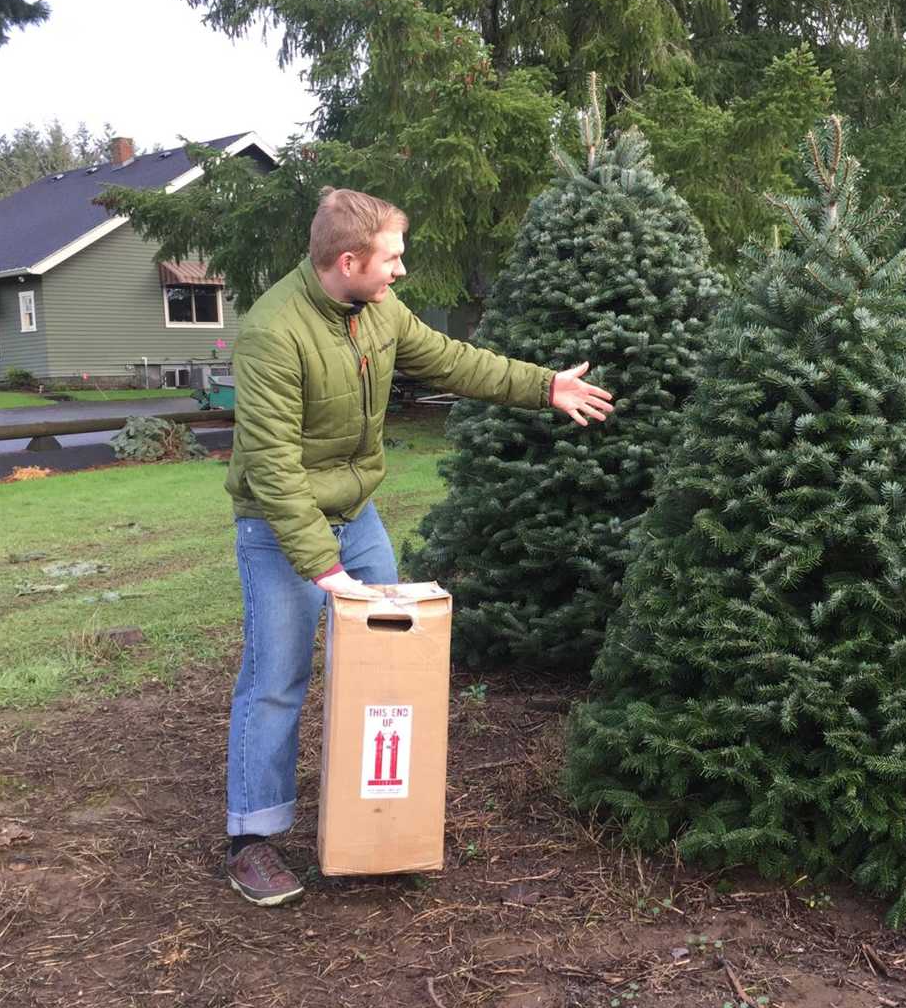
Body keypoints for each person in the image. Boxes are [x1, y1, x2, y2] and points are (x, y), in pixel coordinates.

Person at [222, 187, 614, 905]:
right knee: (276, 678)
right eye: (393, 259)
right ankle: (253, 839)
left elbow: (455, 362)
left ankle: (378, 820)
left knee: (388, 666)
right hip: (281, 526)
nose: (401, 271)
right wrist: (326, 570)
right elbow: (275, 470)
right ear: (349, 260)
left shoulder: (377, 311)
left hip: (355, 511)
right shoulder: (272, 333)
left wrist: (543, 386)